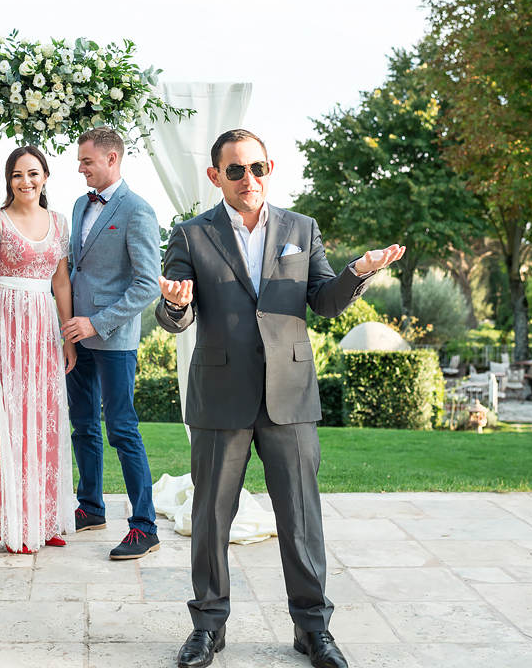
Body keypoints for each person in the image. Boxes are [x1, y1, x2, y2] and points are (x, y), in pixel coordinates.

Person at [157, 129, 405, 668]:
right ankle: (207, 628)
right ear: (215, 176)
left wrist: (357, 273)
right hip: (220, 397)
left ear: (271, 167)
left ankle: (313, 630)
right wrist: (174, 304)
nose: (249, 179)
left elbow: (323, 301)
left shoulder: (302, 228)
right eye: (236, 170)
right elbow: (174, 312)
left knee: (300, 518)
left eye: (258, 168)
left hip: (289, 397)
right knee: (210, 519)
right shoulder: (190, 235)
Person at [0, 145, 78, 554]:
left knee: (46, 423)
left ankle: (47, 519)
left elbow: (62, 282)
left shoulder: (61, 223)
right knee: (11, 427)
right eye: (17, 175)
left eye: (33, 173)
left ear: (45, 177)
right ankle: (15, 526)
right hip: (6, 329)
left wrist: (68, 337)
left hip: (44, 330)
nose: (25, 181)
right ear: (8, 180)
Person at [61, 127, 162, 560]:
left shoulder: (138, 210)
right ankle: (91, 507)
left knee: (121, 428)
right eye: (80, 161)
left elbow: (146, 286)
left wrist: (96, 324)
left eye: (86, 161)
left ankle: (145, 526)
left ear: (112, 159)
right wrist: (68, 325)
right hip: (74, 337)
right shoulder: (80, 204)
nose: (80, 168)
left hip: (113, 339)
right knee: (82, 426)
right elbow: (74, 270)